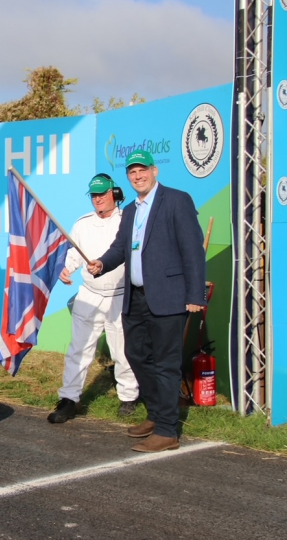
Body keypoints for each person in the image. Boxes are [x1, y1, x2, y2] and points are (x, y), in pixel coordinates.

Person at [87, 149, 206, 453]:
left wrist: (195, 296)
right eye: (132, 172)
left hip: (169, 298)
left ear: (155, 171)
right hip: (136, 299)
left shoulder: (177, 200)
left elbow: (193, 251)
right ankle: (156, 414)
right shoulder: (130, 210)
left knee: (166, 364)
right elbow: (120, 249)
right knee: (136, 355)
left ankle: (167, 431)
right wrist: (102, 263)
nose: (137, 176)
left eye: (142, 170)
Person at [48, 173, 140, 424]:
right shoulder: (83, 223)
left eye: (102, 194)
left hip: (120, 294)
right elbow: (74, 253)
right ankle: (69, 399)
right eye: (94, 195)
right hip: (89, 294)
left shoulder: (128, 221)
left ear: (115, 194)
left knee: (122, 350)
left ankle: (128, 397)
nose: (98, 199)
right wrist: (67, 269)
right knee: (78, 348)